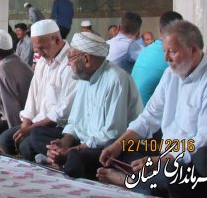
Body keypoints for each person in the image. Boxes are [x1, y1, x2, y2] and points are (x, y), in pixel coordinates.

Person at [98, 20, 207, 197]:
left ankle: (130, 180)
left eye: (172, 52)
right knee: (115, 148)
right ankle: (145, 179)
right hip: (163, 152)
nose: (166, 58)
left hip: (190, 162)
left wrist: (159, 162)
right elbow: (149, 116)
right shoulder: (170, 74)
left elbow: (203, 142)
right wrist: (118, 145)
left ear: (193, 50)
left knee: (175, 172)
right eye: (164, 51)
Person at [45, 32, 143, 180]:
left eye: (70, 57)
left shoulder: (116, 80)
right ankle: (63, 159)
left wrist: (72, 150)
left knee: (76, 160)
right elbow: (74, 122)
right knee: (36, 136)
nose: (67, 63)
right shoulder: (84, 77)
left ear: (86, 59)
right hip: (87, 142)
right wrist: (64, 143)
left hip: (113, 147)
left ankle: (69, 162)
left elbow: (112, 134)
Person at [0, 19, 78, 161]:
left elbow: (63, 111)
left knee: (26, 146)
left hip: (59, 127)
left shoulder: (71, 64)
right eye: (37, 49)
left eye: (42, 48)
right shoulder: (42, 61)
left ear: (56, 40)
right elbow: (33, 94)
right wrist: (26, 123)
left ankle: (52, 158)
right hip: (38, 123)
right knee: (5, 139)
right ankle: (42, 155)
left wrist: (31, 129)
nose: (40, 53)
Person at [131, 11, 183, 106]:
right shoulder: (175, 57)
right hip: (148, 114)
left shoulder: (145, 50)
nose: (167, 56)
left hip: (133, 111)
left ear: (159, 30)